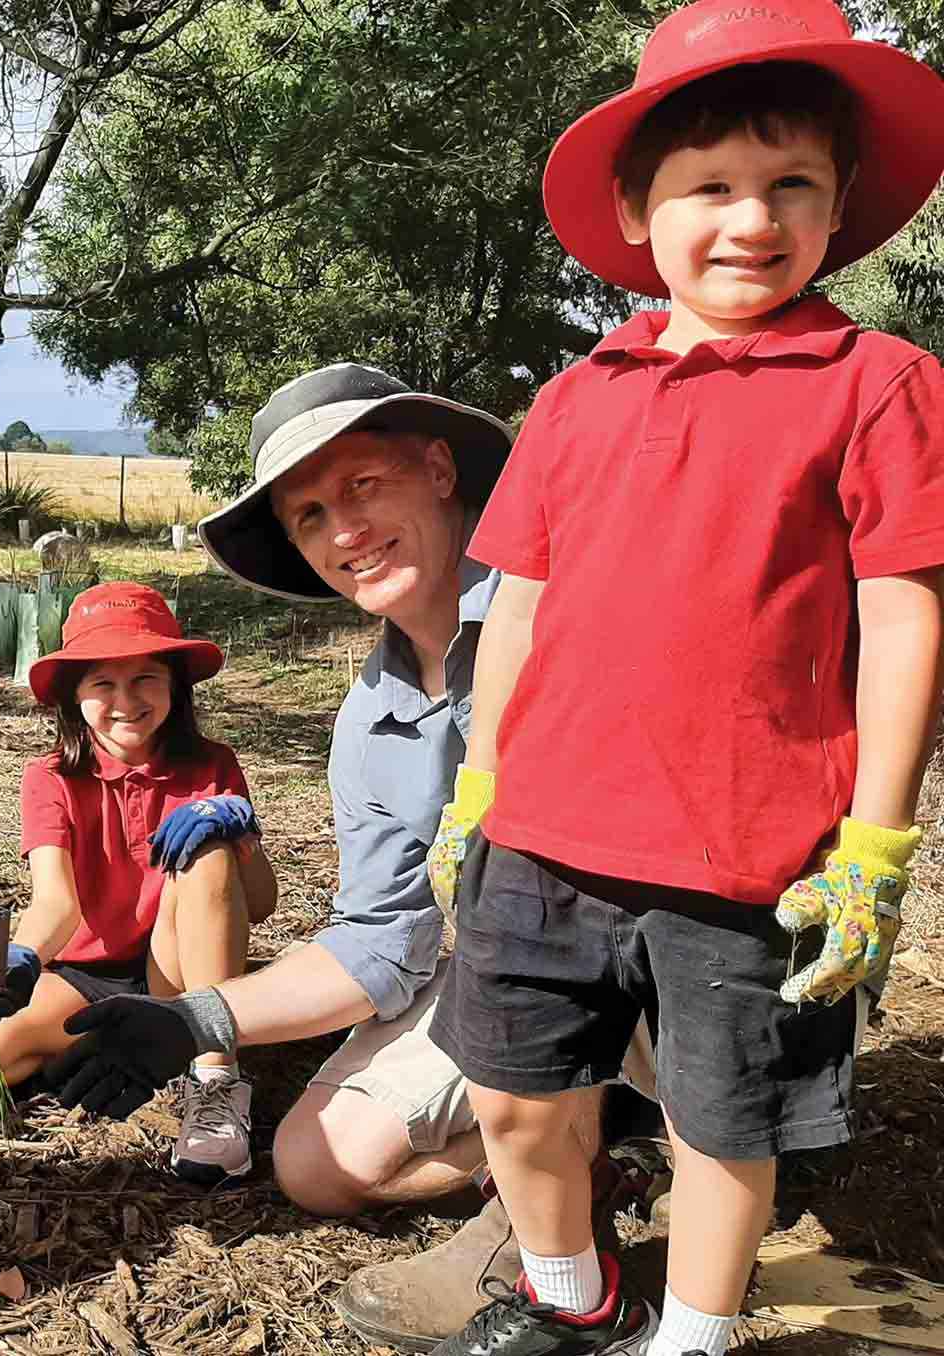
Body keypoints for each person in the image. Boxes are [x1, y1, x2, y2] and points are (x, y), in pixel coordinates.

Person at [423, 4, 944, 1355]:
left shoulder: (879, 381)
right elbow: (518, 609)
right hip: (542, 831)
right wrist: (476, 785)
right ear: (638, 210)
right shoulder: (574, 395)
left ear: (837, 213)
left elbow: (902, 620)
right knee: (517, 1101)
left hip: (751, 852)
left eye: (793, 188)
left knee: (727, 1119)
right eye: (709, 186)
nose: (752, 220)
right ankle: (569, 1295)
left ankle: (694, 1335)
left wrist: (878, 842)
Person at [44, 364, 656, 1350]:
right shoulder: (368, 723)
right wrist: (195, 1014)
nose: (345, 532)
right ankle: (602, 1140)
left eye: (364, 486)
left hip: (642, 954)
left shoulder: (559, 615)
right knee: (313, 1167)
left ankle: (549, 1213)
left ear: (439, 469)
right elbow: (386, 939)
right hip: (495, 973)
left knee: (546, 938)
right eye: (311, 514)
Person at [0, 581, 278, 1182]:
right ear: (74, 697)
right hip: (85, 975)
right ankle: (109, 1045)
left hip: (181, 966)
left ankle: (214, 1076)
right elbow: (56, 902)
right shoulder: (50, 777)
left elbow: (260, 904)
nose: (125, 701)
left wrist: (238, 834)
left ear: (174, 686)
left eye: (145, 679)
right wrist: (24, 955)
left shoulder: (211, 765)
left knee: (207, 848)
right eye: (102, 684)